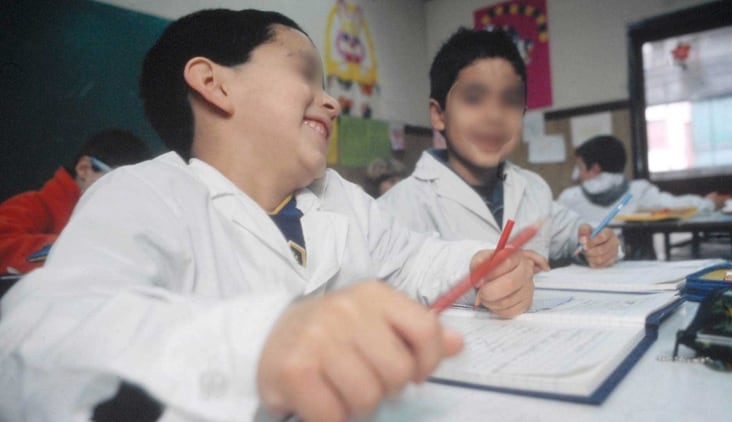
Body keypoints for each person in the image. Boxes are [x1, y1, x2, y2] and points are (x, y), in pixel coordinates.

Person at [0, 10, 536, 422]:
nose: (333, 103)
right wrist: (260, 342)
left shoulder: (336, 197)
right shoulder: (146, 193)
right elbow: (40, 334)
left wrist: (479, 264)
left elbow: (413, 259)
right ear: (214, 84)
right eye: (308, 74)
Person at [378, 28, 620, 281]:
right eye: (474, 98)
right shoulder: (399, 207)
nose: (495, 115)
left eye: (510, 99)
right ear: (439, 115)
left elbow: (569, 231)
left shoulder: (533, 189)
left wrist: (593, 241)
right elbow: (387, 288)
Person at [0, 129, 151, 274]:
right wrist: (88, 250)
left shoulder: (119, 225)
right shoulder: (32, 205)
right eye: (119, 184)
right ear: (84, 169)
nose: (123, 198)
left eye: (132, 191)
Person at [557, 134, 727, 226]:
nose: (578, 174)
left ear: (595, 169)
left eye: (580, 167)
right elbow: (677, 206)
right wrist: (709, 202)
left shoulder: (569, 197)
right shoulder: (639, 190)